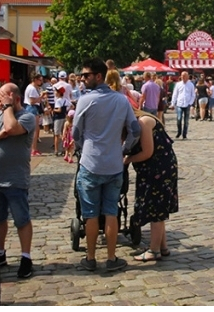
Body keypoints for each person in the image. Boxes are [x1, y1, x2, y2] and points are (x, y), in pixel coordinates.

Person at [72, 58, 140, 273]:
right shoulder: (121, 100)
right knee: (111, 211)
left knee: (90, 213)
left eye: (86, 75)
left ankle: (91, 258)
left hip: (91, 163)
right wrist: (124, 148)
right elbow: (135, 129)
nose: (82, 79)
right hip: (113, 163)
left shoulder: (85, 100)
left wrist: (82, 147)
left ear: (98, 76)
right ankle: (111, 258)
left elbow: (75, 132)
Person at [0, 83, 38, 278]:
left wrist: (8, 108)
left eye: (3, 98)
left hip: (16, 179)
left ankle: (25, 257)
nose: (0, 102)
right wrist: (0, 135)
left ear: (15, 98)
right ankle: (0, 253)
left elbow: (11, 127)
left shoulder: (26, 117)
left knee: (22, 219)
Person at [125, 110, 179, 263]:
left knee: (156, 208)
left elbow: (147, 152)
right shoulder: (141, 121)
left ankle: (154, 250)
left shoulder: (144, 122)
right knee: (158, 207)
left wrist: (127, 160)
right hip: (158, 167)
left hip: (158, 168)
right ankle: (163, 247)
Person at [24, 74, 45, 156]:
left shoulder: (33, 87)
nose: (41, 82)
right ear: (35, 79)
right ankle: (33, 149)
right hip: (32, 108)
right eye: (40, 80)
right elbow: (32, 101)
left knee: (35, 129)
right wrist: (41, 97)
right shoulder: (32, 88)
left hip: (32, 108)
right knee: (35, 129)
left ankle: (34, 148)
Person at [172, 71, 195, 140]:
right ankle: (179, 132)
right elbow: (175, 94)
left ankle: (184, 134)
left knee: (186, 120)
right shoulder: (178, 84)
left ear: (188, 77)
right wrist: (173, 103)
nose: (183, 77)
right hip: (179, 103)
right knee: (179, 119)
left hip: (187, 104)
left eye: (185, 76)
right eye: (182, 76)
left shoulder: (191, 85)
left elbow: (193, 95)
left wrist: (190, 103)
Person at [52, 81, 70, 157]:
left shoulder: (58, 100)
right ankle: (63, 149)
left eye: (56, 91)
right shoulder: (65, 100)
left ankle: (56, 150)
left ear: (59, 93)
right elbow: (71, 106)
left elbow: (58, 110)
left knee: (56, 134)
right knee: (64, 133)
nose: (55, 92)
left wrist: (53, 110)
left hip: (58, 118)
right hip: (64, 117)